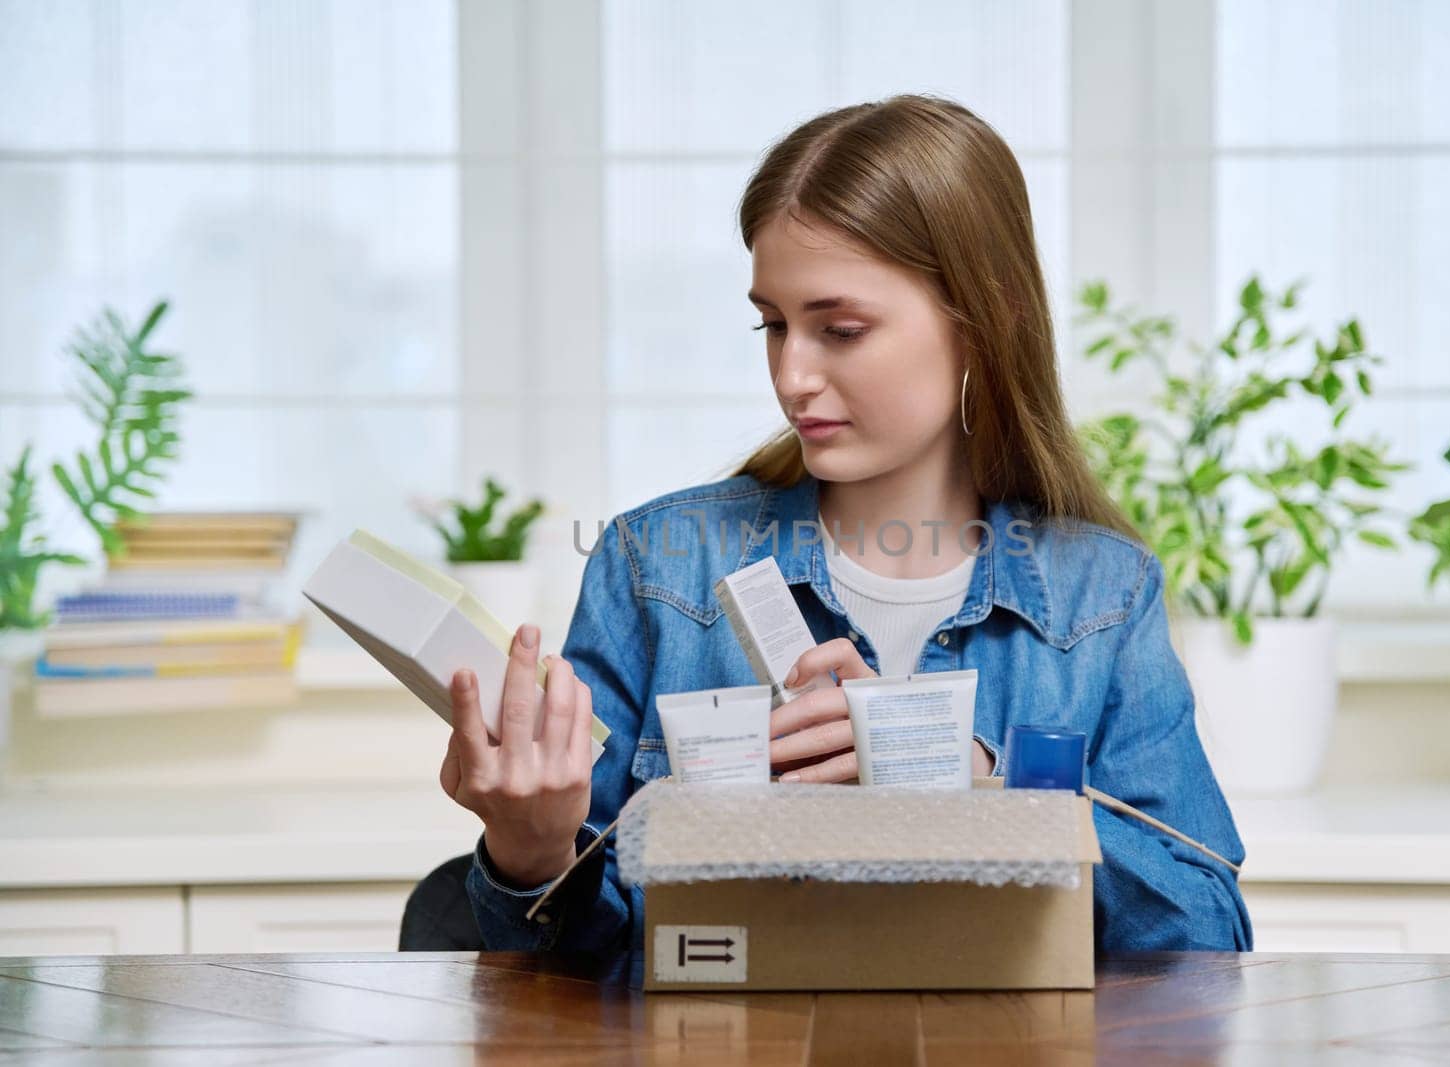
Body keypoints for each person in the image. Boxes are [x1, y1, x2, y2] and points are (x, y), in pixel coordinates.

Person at [438, 94, 1252, 967]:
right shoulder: (657, 569)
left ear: (986, 318)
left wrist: (995, 797)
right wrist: (530, 853)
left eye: (841, 330)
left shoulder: (1101, 596)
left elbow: (1207, 933)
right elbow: (571, 973)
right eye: (774, 324)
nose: (792, 376)